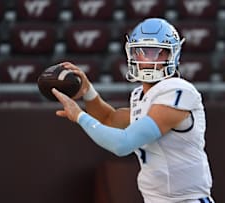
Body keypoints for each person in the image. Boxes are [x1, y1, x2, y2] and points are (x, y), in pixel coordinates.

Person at [51, 18, 214, 203]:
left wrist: (79, 116)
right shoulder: (140, 96)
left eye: (157, 53)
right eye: (141, 52)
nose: (147, 60)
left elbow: (122, 144)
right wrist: (88, 92)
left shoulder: (178, 91)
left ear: (173, 55)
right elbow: (109, 118)